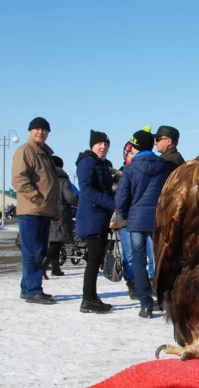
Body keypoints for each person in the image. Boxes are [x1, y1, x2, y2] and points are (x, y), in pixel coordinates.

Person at [115, 129, 171, 318]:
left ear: (136, 146)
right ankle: (163, 299)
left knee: (138, 262)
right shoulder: (164, 167)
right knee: (158, 259)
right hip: (157, 220)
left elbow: (121, 199)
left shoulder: (130, 168)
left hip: (136, 220)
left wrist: (126, 215)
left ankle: (145, 304)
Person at [11, 117, 60, 304]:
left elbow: (50, 184)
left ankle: (27, 288)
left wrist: (53, 208)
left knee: (38, 250)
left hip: (44, 210)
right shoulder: (25, 150)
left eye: (44, 130)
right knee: (33, 251)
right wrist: (35, 197)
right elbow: (19, 179)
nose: (41, 132)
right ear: (30, 131)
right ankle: (33, 290)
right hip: (31, 209)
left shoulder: (45, 153)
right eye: (37, 129)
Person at [75, 130, 116, 314]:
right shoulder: (87, 162)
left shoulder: (102, 164)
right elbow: (86, 190)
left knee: (96, 258)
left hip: (100, 217)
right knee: (93, 259)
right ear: (92, 145)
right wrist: (113, 205)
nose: (103, 147)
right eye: (99, 144)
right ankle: (88, 299)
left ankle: (90, 297)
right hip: (92, 217)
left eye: (106, 145)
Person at [42, 155, 79, 277]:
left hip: (45, 213)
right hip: (60, 214)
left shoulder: (44, 178)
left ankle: (56, 268)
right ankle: (44, 265)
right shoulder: (63, 179)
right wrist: (78, 201)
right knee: (56, 243)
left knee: (55, 242)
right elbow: (70, 197)